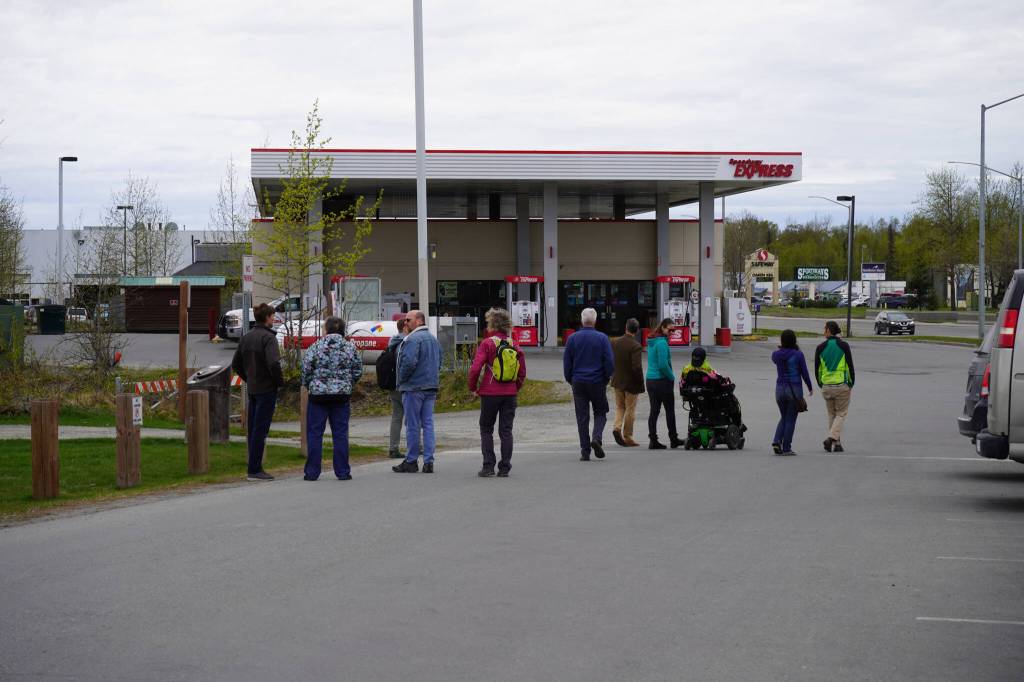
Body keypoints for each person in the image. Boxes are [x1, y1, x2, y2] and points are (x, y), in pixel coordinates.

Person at [300, 317, 363, 480]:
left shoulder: (316, 347)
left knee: (314, 433)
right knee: (340, 433)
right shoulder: (350, 348)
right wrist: (348, 383)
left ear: (326, 330)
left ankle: (312, 472)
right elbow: (357, 370)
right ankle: (342, 471)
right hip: (341, 395)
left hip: (318, 395)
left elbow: (306, 369)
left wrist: (310, 385)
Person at [468, 308, 526, 477]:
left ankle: (488, 465)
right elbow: (522, 372)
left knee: (486, 428)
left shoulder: (487, 344)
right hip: (510, 393)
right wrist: (515, 388)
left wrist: (473, 388)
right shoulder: (514, 344)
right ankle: (505, 467)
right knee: (506, 430)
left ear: (492, 324)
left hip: (489, 392)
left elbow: (475, 369)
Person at [231, 302, 284, 481]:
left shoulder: (246, 337)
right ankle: (255, 469)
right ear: (267, 318)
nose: (274, 319)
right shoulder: (269, 338)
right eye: (273, 316)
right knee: (261, 429)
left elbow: (236, 363)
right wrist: (279, 382)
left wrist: (248, 378)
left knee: (253, 429)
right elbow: (274, 363)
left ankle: (253, 466)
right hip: (267, 388)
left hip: (253, 388)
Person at [393, 310, 442, 474]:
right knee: (428, 424)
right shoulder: (434, 340)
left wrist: (402, 380)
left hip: (414, 387)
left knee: (413, 424)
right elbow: (439, 361)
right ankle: (429, 461)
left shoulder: (413, 339)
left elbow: (408, 363)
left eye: (409, 319)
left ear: (419, 321)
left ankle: (411, 460)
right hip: (431, 386)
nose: (405, 322)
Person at [563, 307, 614, 461]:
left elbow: (567, 362)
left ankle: (585, 451)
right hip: (597, 380)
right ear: (595, 320)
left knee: (582, 417)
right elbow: (609, 361)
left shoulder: (572, 338)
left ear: (581, 320)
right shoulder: (602, 338)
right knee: (601, 412)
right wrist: (606, 377)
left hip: (578, 381)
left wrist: (570, 379)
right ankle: (596, 438)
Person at [771, 329, 814, 456]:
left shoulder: (776, 355)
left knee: (784, 417)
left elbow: (777, 358)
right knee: (790, 419)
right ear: (794, 340)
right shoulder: (798, 355)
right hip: (794, 390)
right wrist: (810, 387)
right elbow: (804, 372)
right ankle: (786, 448)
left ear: (782, 340)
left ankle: (776, 440)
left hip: (779, 389)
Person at [815, 320, 855, 453]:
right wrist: (851, 383)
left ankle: (837, 444)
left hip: (826, 386)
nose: (823, 331)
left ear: (829, 331)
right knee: (841, 414)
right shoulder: (843, 346)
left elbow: (817, 369)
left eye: (824, 329)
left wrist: (820, 383)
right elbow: (850, 365)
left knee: (831, 414)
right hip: (841, 385)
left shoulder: (820, 348)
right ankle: (831, 438)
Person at [645, 318, 682, 450]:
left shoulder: (652, 341)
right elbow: (662, 365)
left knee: (654, 410)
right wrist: (671, 377)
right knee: (669, 410)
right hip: (662, 380)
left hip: (650, 379)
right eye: (670, 330)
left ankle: (653, 440)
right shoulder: (661, 343)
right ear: (663, 328)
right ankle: (673, 439)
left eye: (674, 330)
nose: (672, 332)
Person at [610, 318, 644, 447]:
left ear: (626, 327)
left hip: (617, 380)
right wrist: (640, 383)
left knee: (620, 407)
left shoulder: (615, 342)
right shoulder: (636, 346)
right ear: (637, 330)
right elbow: (636, 367)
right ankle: (628, 436)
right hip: (631, 383)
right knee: (630, 408)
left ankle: (616, 427)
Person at [385, 317, 409, 458]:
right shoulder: (406, 342)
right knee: (412, 417)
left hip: (392, 384)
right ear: (405, 327)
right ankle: (415, 446)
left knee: (396, 416)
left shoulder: (391, 343)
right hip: (404, 384)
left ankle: (393, 447)